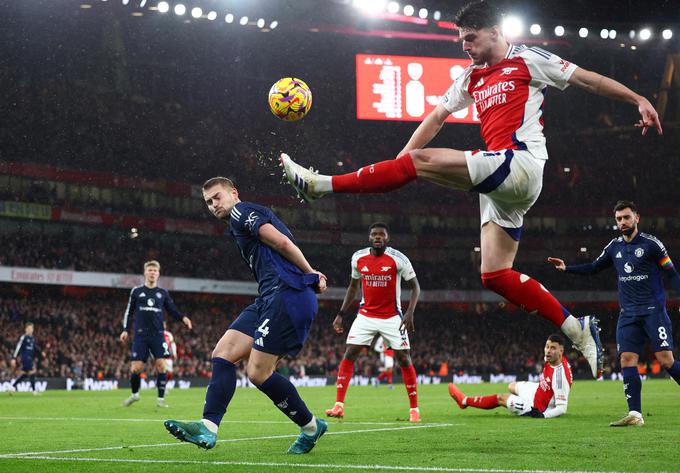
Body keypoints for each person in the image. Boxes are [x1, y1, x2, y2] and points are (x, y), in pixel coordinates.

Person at [280, 0, 664, 379]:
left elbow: (588, 79)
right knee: (495, 275)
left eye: (471, 38)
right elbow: (435, 117)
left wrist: (638, 99)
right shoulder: (471, 76)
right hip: (501, 185)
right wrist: (397, 165)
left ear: (496, 32)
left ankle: (320, 185)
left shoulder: (528, 59)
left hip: (520, 163)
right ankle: (576, 329)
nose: (464, 45)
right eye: (461, 39)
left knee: (421, 163)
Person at [164, 177, 328, 454]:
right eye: (208, 202)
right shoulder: (237, 223)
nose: (213, 205)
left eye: (217, 197)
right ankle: (209, 426)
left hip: (287, 293)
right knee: (223, 352)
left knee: (258, 372)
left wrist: (311, 273)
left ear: (233, 193)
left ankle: (311, 427)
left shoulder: (242, 212)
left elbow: (282, 243)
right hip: (268, 297)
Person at [548, 200, 680, 426]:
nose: (622, 222)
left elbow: (672, 274)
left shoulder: (651, 245)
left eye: (626, 217)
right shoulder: (614, 247)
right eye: (619, 219)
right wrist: (566, 268)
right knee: (627, 360)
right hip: (628, 314)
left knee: (666, 360)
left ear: (636, 218)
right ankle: (635, 414)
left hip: (653, 311)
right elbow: (593, 267)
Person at [326, 223, 421, 422]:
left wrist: (410, 313)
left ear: (387, 238)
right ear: (369, 238)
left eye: (381, 235)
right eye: (374, 234)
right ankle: (338, 405)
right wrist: (341, 314)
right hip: (366, 315)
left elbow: (415, 287)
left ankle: (414, 409)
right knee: (350, 352)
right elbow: (353, 287)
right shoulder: (358, 258)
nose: (377, 237)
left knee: (404, 358)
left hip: (392, 317)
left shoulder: (398, 259)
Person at [119, 260, 192, 408]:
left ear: (158, 274)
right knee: (136, 368)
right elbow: (129, 311)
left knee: (161, 366)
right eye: (150, 270)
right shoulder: (137, 291)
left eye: (155, 271)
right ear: (145, 273)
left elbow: (172, 310)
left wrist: (183, 318)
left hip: (158, 335)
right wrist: (126, 329)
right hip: (141, 335)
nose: (152, 273)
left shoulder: (162, 293)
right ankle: (134, 395)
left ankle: (160, 400)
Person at [448, 334, 572, 418]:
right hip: (537, 391)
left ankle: (464, 401)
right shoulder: (551, 358)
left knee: (500, 397)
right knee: (511, 386)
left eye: (553, 348)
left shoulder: (560, 377)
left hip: (537, 407)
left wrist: (544, 415)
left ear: (561, 351)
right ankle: (515, 401)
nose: (548, 351)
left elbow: (562, 408)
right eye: (547, 346)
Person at [8, 322, 44, 395]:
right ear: (26, 329)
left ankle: (12, 387)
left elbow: (35, 347)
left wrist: (41, 352)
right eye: (29, 328)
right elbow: (18, 347)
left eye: (32, 328)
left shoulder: (32, 339)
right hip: (25, 358)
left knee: (25, 374)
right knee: (32, 371)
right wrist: (14, 358)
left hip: (30, 358)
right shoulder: (24, 337)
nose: (31, 330)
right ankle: (34, 391)